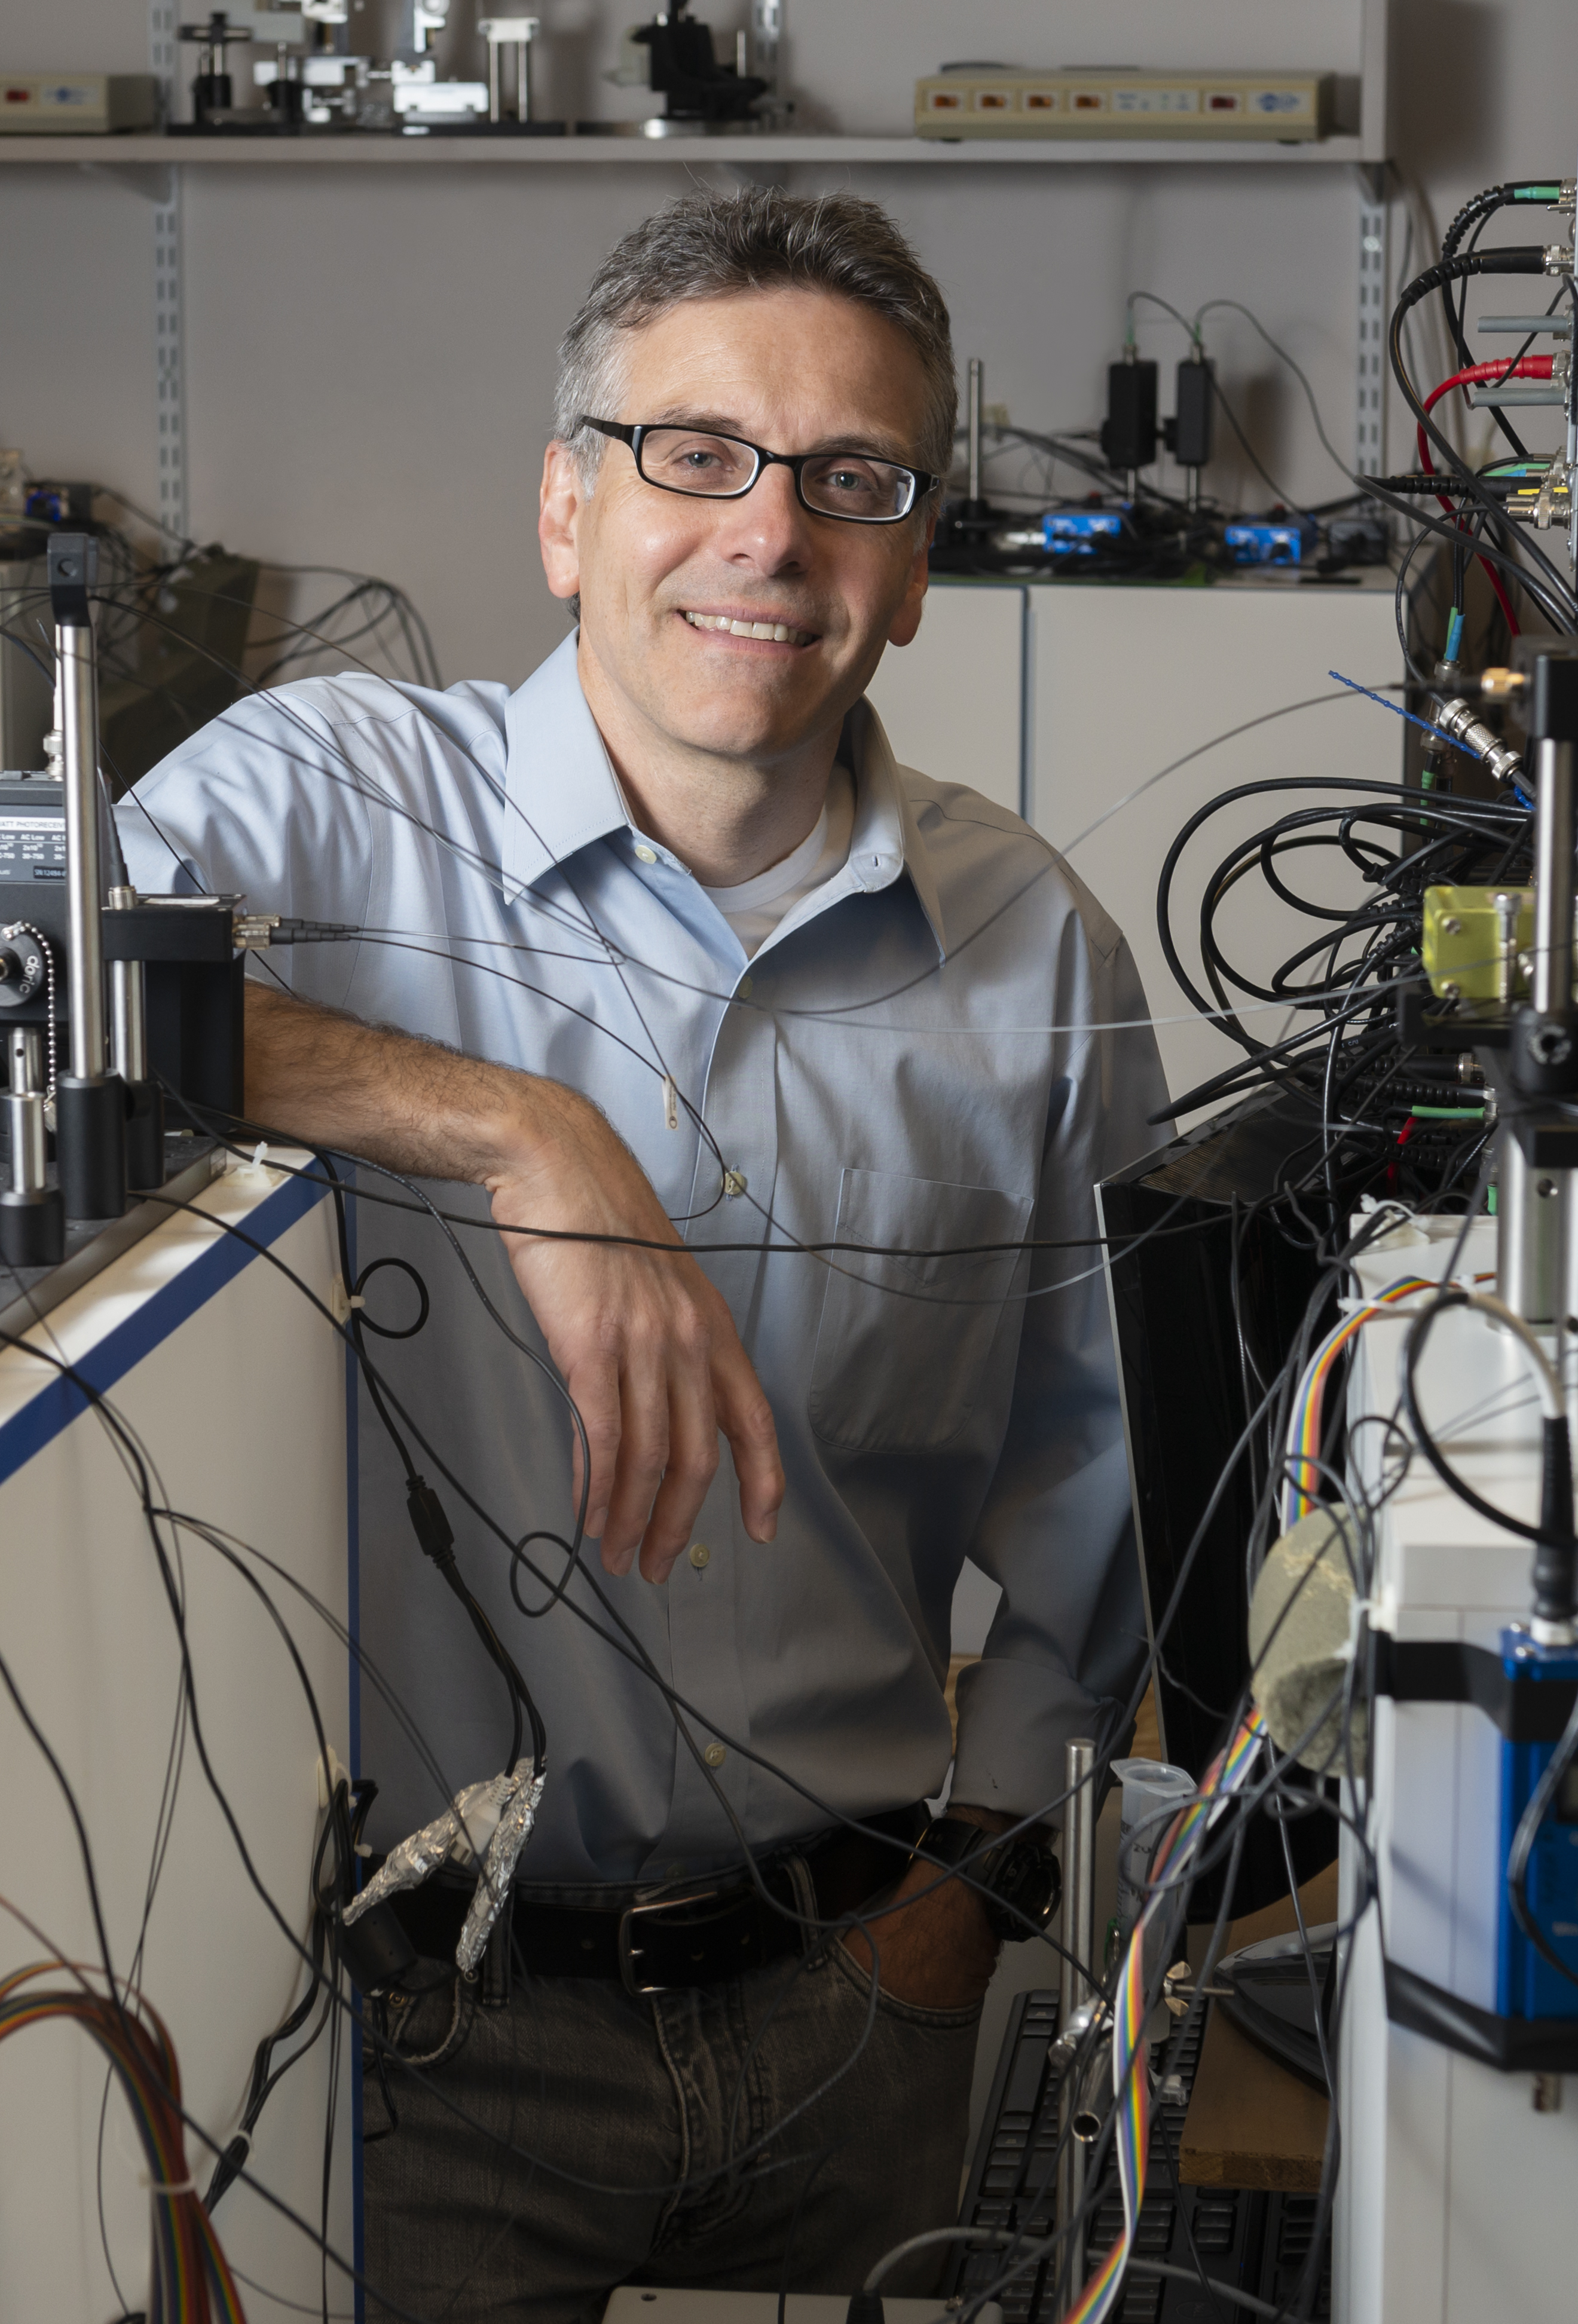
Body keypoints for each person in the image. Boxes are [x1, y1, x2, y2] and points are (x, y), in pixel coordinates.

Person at [116, 186, 1167, 2324]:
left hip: (854, 2002)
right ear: (565, 510)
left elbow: (1110, 1507)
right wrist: (519, 1124)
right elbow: (22, 998)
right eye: (696, 454)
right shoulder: (316, 813)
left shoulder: (1033, 946)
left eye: (850, 480)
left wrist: (966, 1900)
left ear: (915, 562)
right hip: (418, 2037)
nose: (767, 534)